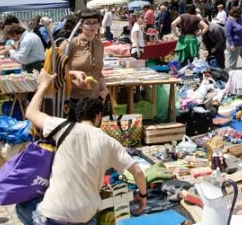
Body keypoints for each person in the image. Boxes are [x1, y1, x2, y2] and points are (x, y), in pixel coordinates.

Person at [16, 70, 147, 225]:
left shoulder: (62, 126)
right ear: (98, 116)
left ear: (78, 115)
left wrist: (44, 84)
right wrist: (143, 196)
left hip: (55, 214)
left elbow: (31, 112)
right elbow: (138, 172)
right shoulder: (110, 142)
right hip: (85, 216)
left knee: (21, 206)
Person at [65, 9, 108, 110]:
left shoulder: (99, 45)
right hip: (74, 99)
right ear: (80, 25)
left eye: (95, 22)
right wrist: (73, 73)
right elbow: (55, 70)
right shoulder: (70, 44)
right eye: (88, 23)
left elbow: (99, 73)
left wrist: (104, 89)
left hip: (95, 98)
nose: (92, 26)